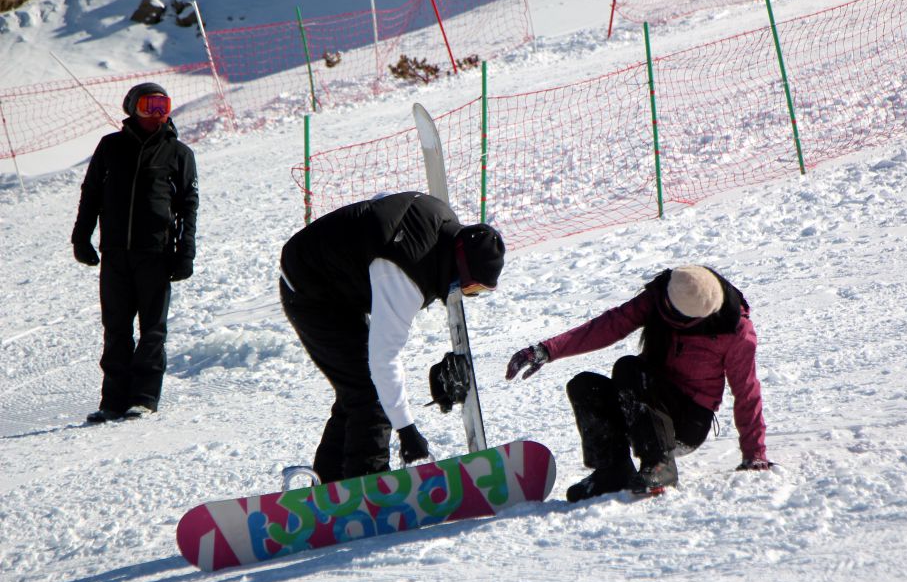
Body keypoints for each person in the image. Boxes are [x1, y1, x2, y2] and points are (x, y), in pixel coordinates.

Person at [279, 191, 505, 483]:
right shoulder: (404, 272)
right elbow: (384, 360)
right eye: (471, 288)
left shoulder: (441, 222)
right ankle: (367, 485)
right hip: (309, 289)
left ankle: (330, 486)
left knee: (356, 390)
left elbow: (383, 207)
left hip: (331, 279)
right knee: (371, 393)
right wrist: (406, 429)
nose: (466, 294)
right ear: (460, 267)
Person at [506, 265, 772, 502]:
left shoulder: (735, 330)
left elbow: (747, 392)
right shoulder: (664, 292)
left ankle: (660, 464)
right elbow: (610, 325)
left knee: (630, 369)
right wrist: (547, 350)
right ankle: (612, 470)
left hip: (687, 422)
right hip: (647, 404)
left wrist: (755, 453)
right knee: (585, 386)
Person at [72, 82, 198, 423]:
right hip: (115, 253)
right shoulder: (110, 147)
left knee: (152, 329)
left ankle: (143, 397)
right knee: (116, 327)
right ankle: (113, 401)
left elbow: (188, 206)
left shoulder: (178, 153)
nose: (156, 114)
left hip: (155, 253)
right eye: (148, 106)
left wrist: (185, 252)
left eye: (162, 106)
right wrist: (81, 238)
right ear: (132, 108)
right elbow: (91, 193)